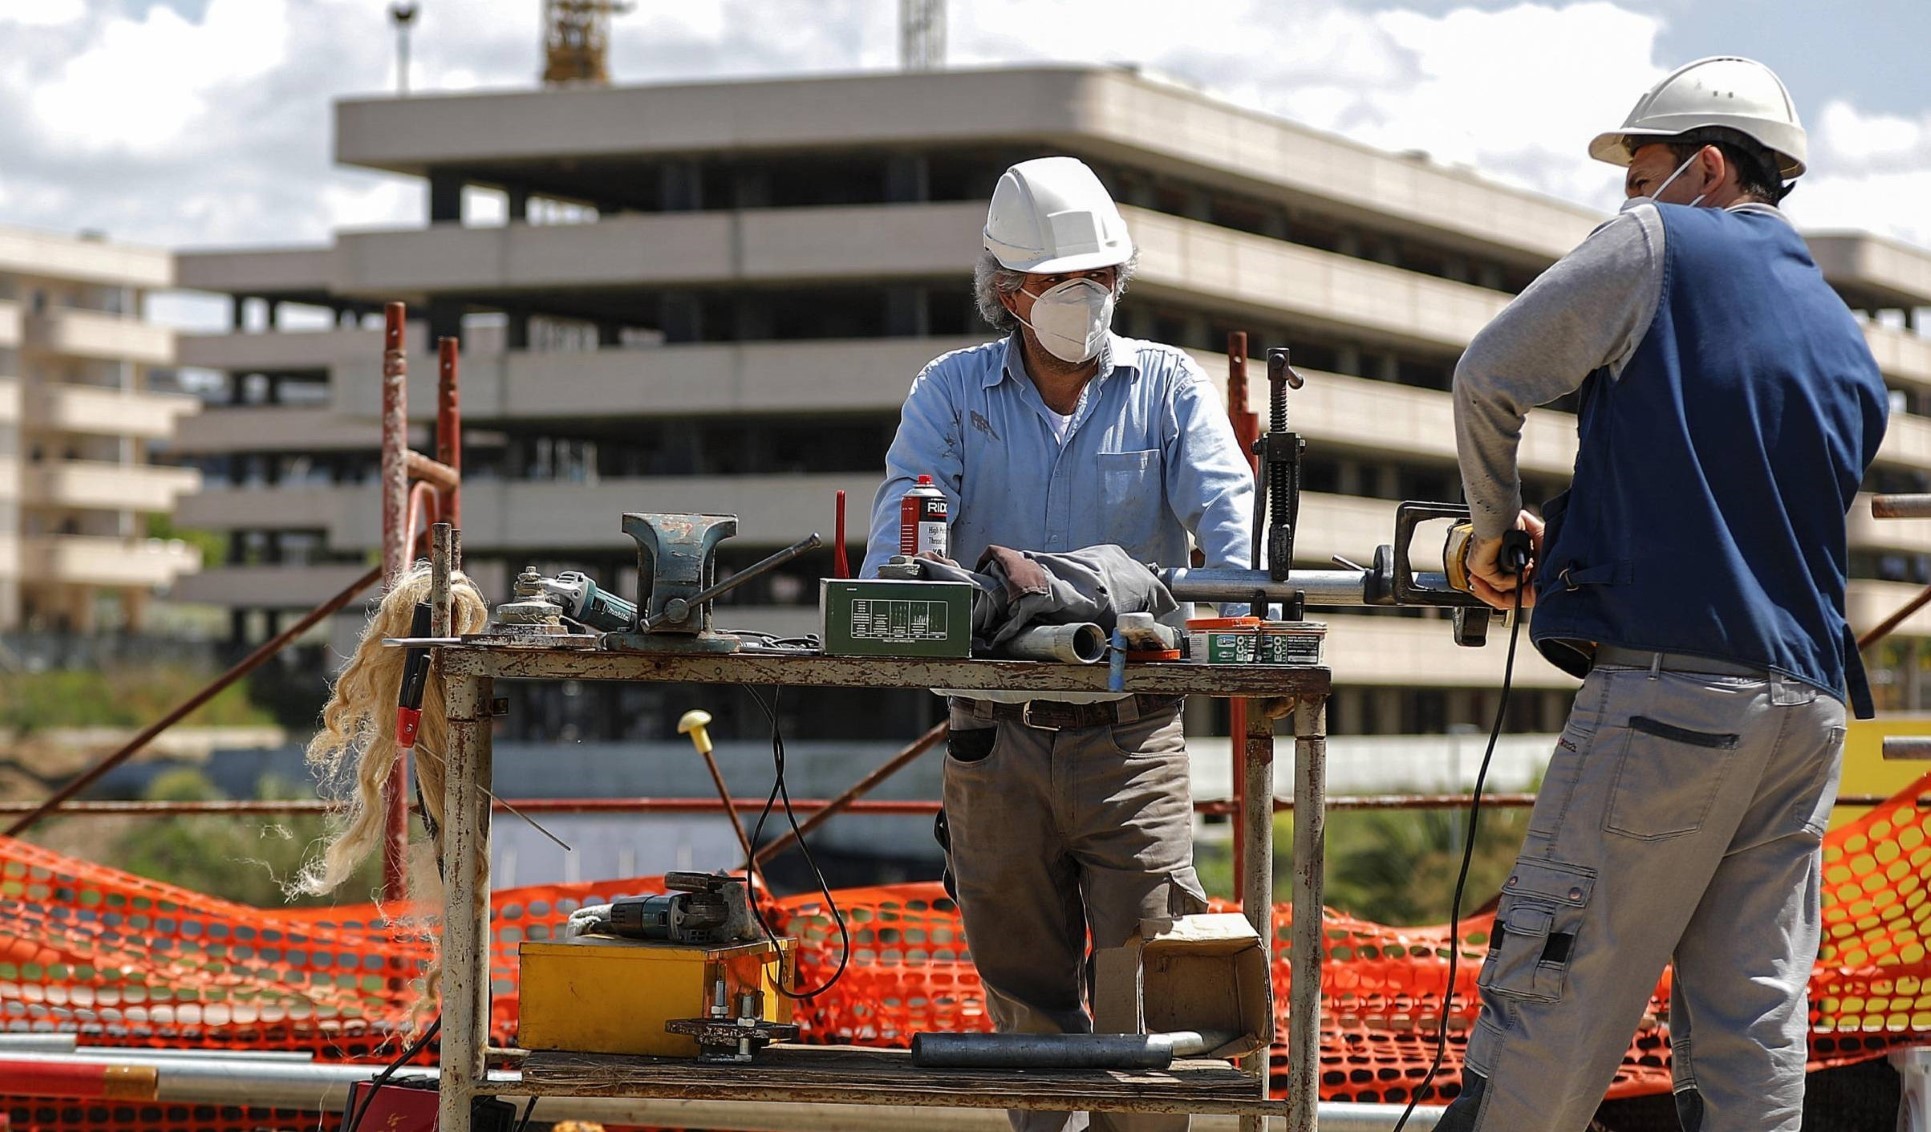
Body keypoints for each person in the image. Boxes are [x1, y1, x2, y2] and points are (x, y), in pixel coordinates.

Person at [1443, 57, 1889, 1131]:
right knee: (1750, 1027)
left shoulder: (1656, 240)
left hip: (1667, 708)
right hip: (1804, 718)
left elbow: (1487, 373)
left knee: (1549, 996)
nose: (1626, 200)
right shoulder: (1842, 338)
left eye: (1637, 173)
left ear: (1699, 166)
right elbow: (1727, 492)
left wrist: (1490, 533)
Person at [862, 155, 1256, 1132]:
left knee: (1148, 1022)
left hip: (1131, 743)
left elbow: (1229, 518)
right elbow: (899, 536)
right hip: (993, 742)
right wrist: (905, 581)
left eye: (1101, 278)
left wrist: (1241, 598)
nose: (1085, 298)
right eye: (1059, 282)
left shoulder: (1164, 388)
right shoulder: (951, 393)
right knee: (1025, 1026)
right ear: (1007, 290)